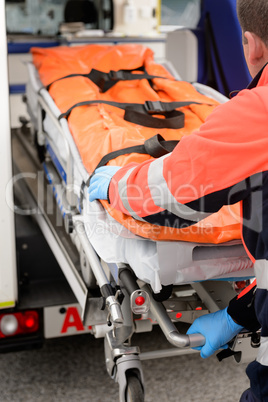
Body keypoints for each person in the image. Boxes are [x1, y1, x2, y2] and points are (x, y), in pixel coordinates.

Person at [89, 0, 268, 400]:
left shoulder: (254, 116)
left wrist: (116, 183)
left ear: (251, 45)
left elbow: (163, 198)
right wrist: (239, 313)